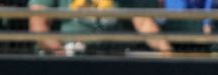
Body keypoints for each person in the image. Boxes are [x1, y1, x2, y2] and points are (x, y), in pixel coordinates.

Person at [28, 0, 173, 55]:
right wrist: (61, 52)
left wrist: (167, 52)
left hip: (116, 61)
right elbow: (38, 27)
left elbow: (144, 24)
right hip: (65, 63)